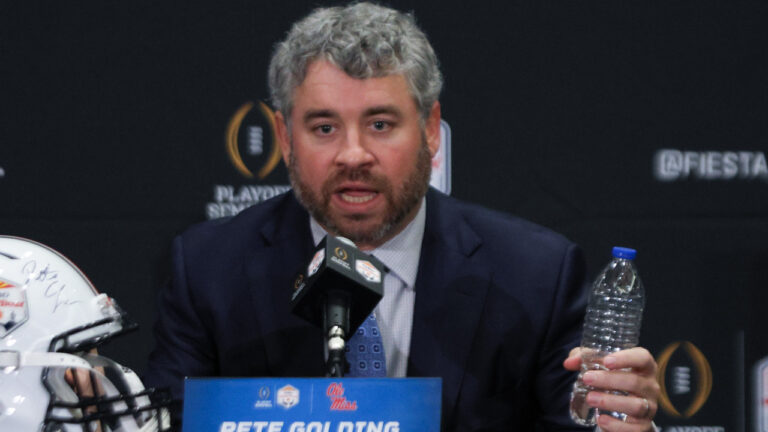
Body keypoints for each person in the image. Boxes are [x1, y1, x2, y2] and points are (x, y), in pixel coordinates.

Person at [144, 2, 660, 431]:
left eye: (380, 124)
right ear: (283, 137)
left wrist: (625, 424)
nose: (353, 155)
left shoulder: (533, 276)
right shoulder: (210, 271)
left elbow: (581, 423)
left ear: (431, 129)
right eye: (324, 128)